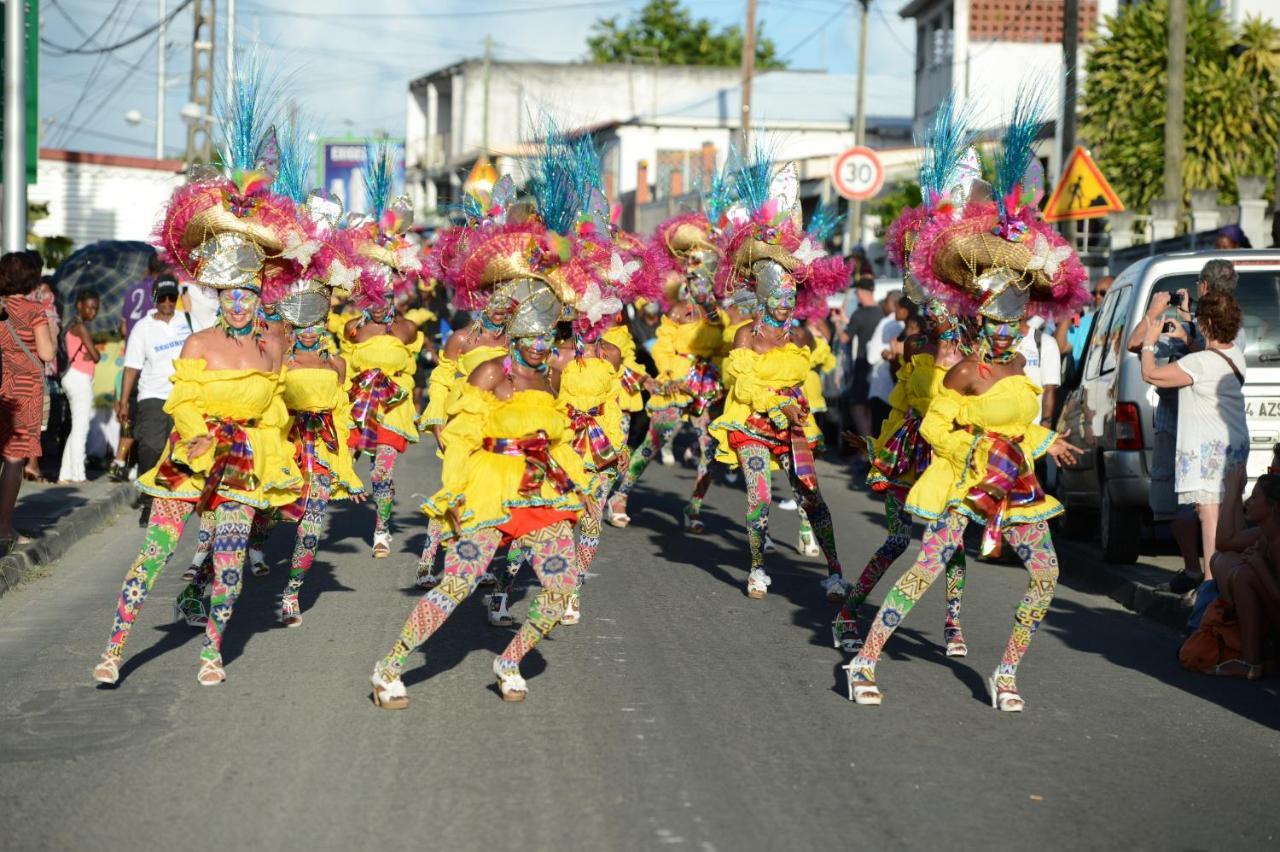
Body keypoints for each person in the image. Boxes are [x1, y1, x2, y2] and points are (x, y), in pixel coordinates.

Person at [842, 101, 1088, 712]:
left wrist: (1041, 440)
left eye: (1018, 313)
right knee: (926, 567)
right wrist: (975, 452)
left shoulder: (1019, 365)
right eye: (1001, 315)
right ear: (982, 316)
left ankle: (1005, 673)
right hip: (963, 479)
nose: (1010, 327)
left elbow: (1018, 423)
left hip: (1016, 482)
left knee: (1047, 573)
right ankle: (863, 658)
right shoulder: (962, 369)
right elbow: (936, 423)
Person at [370, 280, 589, 708]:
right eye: (532, 338)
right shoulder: (490, 372)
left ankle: (509, 662)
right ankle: (389, 667)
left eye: (547, 338)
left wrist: (577, 484)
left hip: (541, 489)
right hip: (490, 489)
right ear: (516, 337)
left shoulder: (553, 376)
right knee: (457, 585)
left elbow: (558, 440)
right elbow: (461, 437)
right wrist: (453, 493)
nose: (541, 347)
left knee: (560, 591)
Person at [708, 172, 849, 602]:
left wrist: (796, 410)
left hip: (792, 424)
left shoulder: (802, 338)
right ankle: (756, 568)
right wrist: (776, 405)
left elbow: (810, 375)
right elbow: (743, 381)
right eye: (780, 301)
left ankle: (835, 570)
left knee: (813, 498)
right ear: (766, 299)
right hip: (751, 421)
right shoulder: (745, 336)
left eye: (792, 300)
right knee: (760, 494)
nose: (787, 308)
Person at [1127, 259, 1241, 592]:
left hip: (1200, 432)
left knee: (1207, 509)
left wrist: (1177, 332)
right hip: (1178, 426)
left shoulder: (1216, 337)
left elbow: (1155, 369)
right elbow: (1135, 344)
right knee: (1186, 508)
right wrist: (1154, 315)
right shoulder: (1209, 330)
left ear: (1204, 286)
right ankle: (1201, 576)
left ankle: (1210, 584)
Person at [607, 215, 724, 533]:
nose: (698, 268)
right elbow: (663, 345)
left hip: (707, 383)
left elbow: (722, 341)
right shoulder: (674, 307)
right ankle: (621, 495)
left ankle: (694, 507)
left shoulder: (714, 311)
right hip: (676, 381)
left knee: (710, 447)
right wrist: (673, 375)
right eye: (692, 260)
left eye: (703, 262)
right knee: (655, 440)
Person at [1202, 466, 1280, 679]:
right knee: (1224, 560)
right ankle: (1259, 655)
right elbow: (1226, 542)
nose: (1250, 502)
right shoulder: (1266, 533)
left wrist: (1259, 567)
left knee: (1245, 574)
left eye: (1255, 498)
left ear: (1273, 507)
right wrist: (1233, 492)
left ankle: (1250, 661)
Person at [0, 251, 55, 551]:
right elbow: (46, 353)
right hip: (24, 390)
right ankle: (4, 527)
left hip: (2, 383)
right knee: (13, 458)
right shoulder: (34, 309)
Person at [56, 291, 102, 483]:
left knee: (76, 427)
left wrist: (91, 353)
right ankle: (78, 474)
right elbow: (97, 356)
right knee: (81, 427)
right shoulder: (81, 328)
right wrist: (93, 353)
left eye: (96, 309)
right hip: (79, 377)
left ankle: (65, 474)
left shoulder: (71, 326)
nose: (93, 312)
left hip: (72, 376)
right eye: (89, 307)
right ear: (79, 306)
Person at [838, 278, 883, 458]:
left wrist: (838, 323)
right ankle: (870, 448)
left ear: (863, 292)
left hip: (862, 363)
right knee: (870, 408)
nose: (856, 296)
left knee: (857, 407)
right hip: (878, 366)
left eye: (856, 293)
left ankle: (867, 451)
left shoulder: (859, 314)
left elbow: (844, 339)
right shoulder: (881, 312)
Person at [866, 289, 905, 436]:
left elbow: (871, 356)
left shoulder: (887, 322)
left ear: (892, 303)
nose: (883, 306)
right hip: (899, 389)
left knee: (880, 433)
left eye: (886, 302)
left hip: (882, 386)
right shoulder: (905, 325)